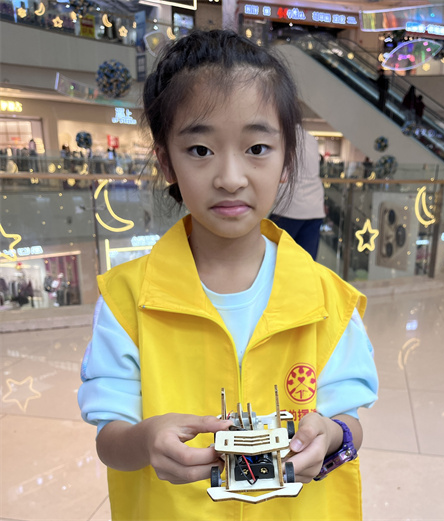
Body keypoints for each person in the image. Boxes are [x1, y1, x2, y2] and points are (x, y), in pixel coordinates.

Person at [77, 30, 378, 521]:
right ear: (166, 162)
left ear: (286, 160)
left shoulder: (330, 301)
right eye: (200, 150)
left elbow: (350, 424)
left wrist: (332, 436)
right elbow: (110, 441)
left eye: (257, 147)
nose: (231, 178)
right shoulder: (127, 300)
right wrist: (146, 440)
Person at [269, 127, 326, 260]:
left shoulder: (281, 136)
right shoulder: (310, 139)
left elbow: (281, 173)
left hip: (289, 207)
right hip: (314, 207)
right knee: (305, 261)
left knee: (272, 258)